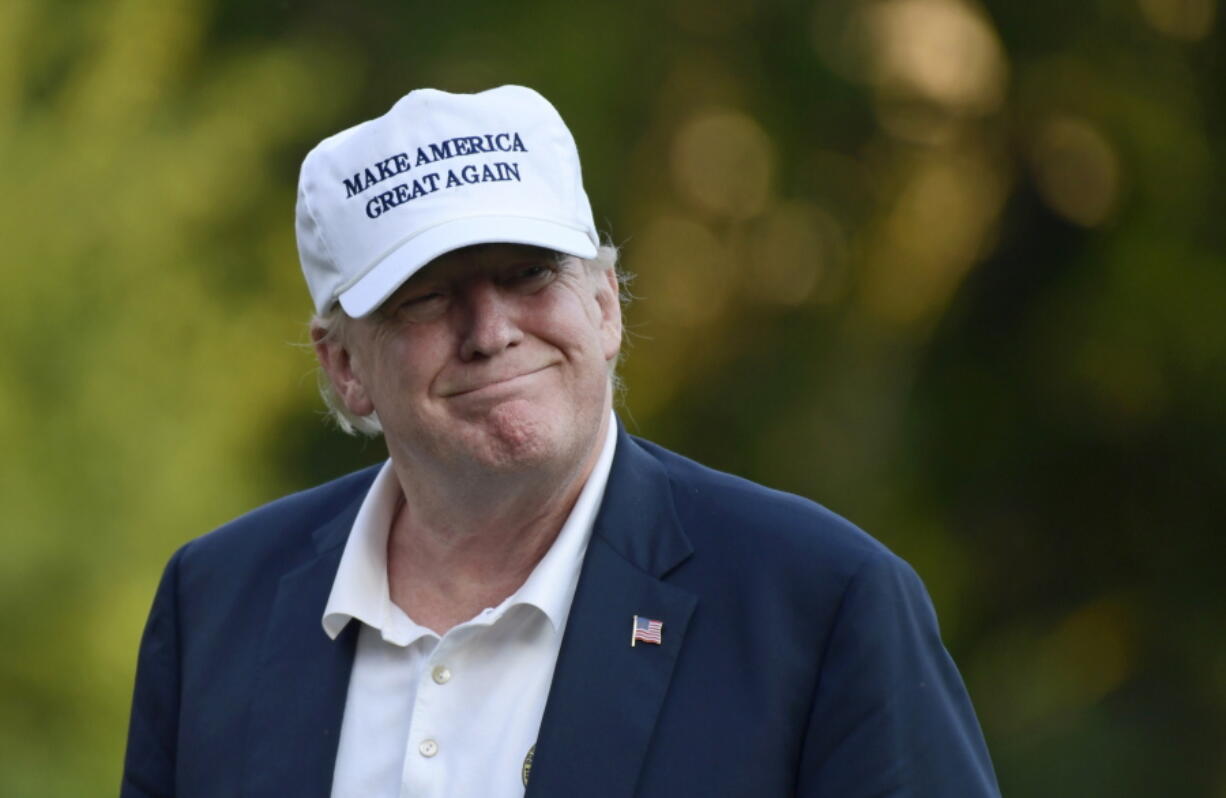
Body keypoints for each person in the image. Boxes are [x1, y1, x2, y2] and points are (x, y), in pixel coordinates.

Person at [121, 85, 1000, 798]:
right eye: (425, 297)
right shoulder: (216, 604)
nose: (490, 330)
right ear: (345, 365)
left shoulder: (817, 603)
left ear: (606, 304)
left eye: (529, 273)